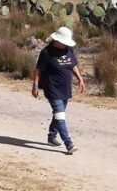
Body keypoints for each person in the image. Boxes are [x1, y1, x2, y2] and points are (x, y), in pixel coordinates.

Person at [32, 26, 85, 154]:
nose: (66, 45)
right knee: (60, 114)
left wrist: (80, 79)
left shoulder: (69, 50)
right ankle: (69, 143)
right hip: (52, 88)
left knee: (58, 114)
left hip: (65, 88)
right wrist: (35, 85)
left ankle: (51, 136)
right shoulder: (46, 52)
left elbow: (73, 65)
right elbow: (38, 70)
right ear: (57, 41)